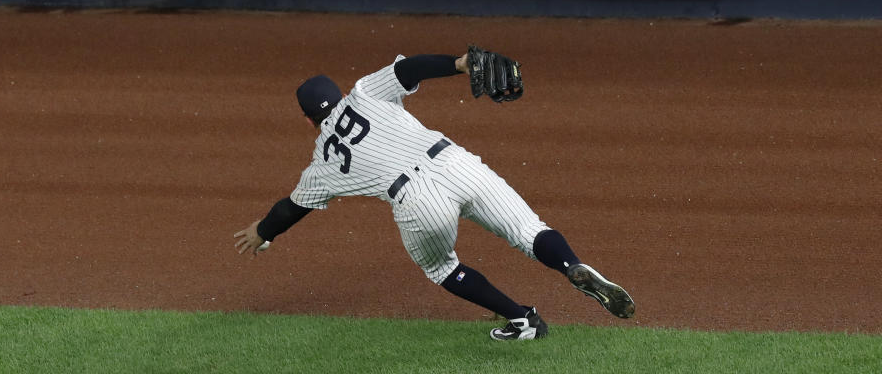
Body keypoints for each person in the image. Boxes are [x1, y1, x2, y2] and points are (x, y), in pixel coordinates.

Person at [234, 50, 635, 340]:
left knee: (442, 268)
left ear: (309, 120)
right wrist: (459, 63)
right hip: (453, 161)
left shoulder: (324, 159)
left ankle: (523, 320)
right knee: (529, 230)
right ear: (338, 96)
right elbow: (407, 69)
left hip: (418, 200)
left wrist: (264, 232)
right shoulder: (363, 93)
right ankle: (573, 266)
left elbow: (292, 208)